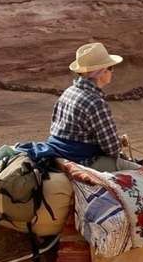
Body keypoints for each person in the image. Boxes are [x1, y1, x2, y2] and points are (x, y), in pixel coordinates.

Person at [47, 42, 137, 171]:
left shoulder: (68, 92)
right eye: (110, 67)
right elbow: (112, 149)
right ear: (101, 72)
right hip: (83, 161)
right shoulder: (96, 103)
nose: (112, 72)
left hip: (60, 155)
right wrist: (119, 143)